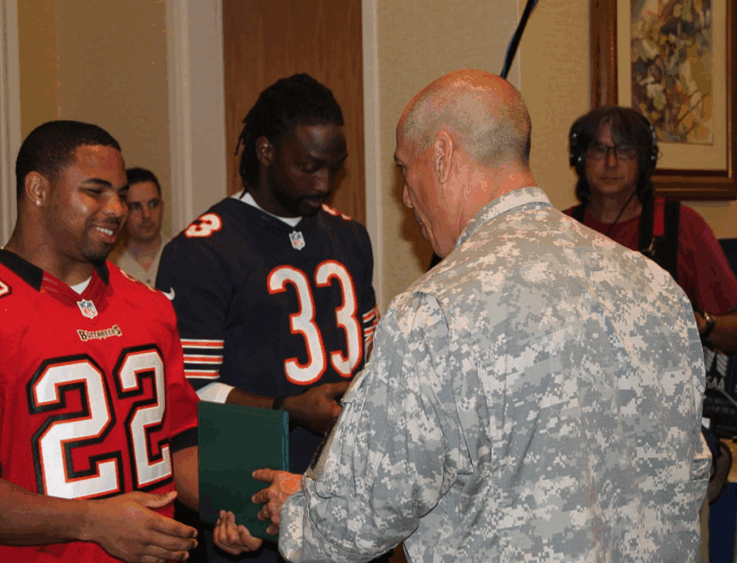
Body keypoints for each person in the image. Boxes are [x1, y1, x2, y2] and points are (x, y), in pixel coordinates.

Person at [221, 69, 711, 563]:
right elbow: (689, 476)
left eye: (404, 171)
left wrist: (300, 510)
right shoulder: (655, 287)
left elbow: (347, 529)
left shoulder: (436, 315)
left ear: (442, 155)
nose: (407, 197)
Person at [0, 120, 202, 563]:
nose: (117, 208)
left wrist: (238, 506)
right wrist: (91, 521)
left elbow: (179, 445)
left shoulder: (150, 307)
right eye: (95, 191)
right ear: (38, 190)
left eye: (119, 193)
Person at [155, 72, 379, 563]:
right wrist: (286, 407)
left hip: (348, 497)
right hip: (254, 502)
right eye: (308, 167)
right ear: (265, 151)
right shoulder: (201, 250)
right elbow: (188, 392)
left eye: (334, 168)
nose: (324, 183)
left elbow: (372, 355)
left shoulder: (351, 237)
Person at [564, 106, 737, 355]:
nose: (610, 163)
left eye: (624, 151)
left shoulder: (682, 226)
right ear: (579, 159)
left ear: (645, 161)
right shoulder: (560, 229)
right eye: (598, 149)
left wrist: (701, 324)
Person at [108, 167, 167, 286]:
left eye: (153, 204)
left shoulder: (181, 257)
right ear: (122, 210)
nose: (146, 215)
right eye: (135, 206)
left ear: (162, 206)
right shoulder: (109, 266)